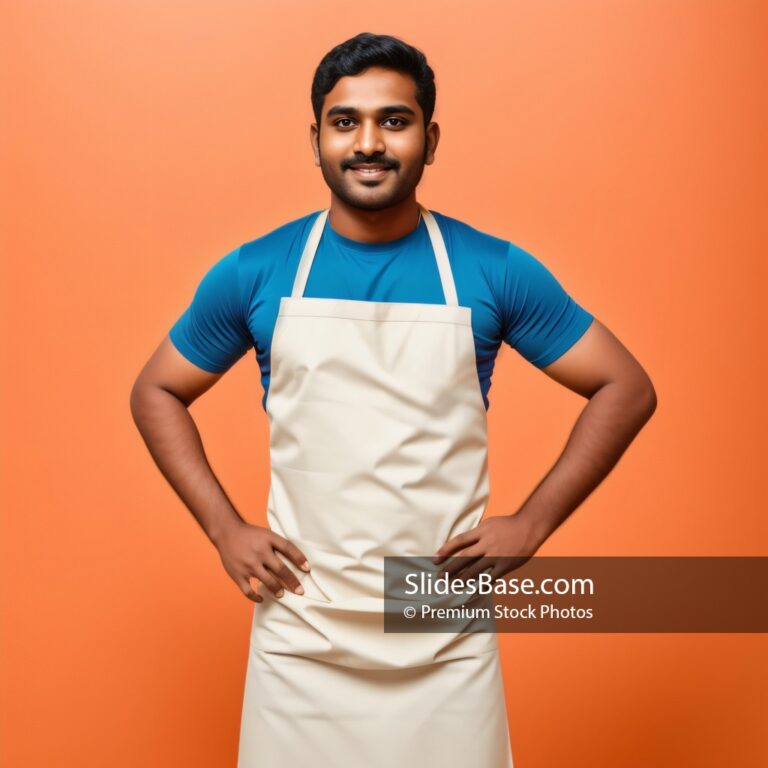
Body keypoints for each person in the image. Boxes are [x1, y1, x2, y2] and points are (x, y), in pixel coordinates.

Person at [130, 31, 657, 768]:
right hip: (303, 629)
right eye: (344, 122)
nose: (369, 142)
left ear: (430, 139)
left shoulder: (492, 270)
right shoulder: (256, 271)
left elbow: (625, 387)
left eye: (395, 121)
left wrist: (534, 522)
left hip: (436, 625)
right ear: (314, 139)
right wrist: (223, 528)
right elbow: (156, 390)